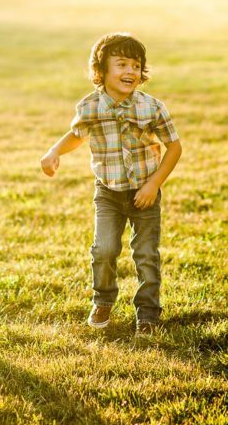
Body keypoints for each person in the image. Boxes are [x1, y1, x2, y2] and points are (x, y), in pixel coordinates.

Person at [40, 33, 182, 335]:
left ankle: (147, 313)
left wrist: (154, 184)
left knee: (146, 255)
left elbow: (175, 147)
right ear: (101, 70)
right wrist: (54, 152)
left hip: (144, 192)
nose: (130, 72)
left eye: (136, 65)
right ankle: (103, 300)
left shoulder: (151, 107)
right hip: (108, 193)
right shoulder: (91, 106)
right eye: (121, 65)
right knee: (104, 249)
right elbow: (77, 135)